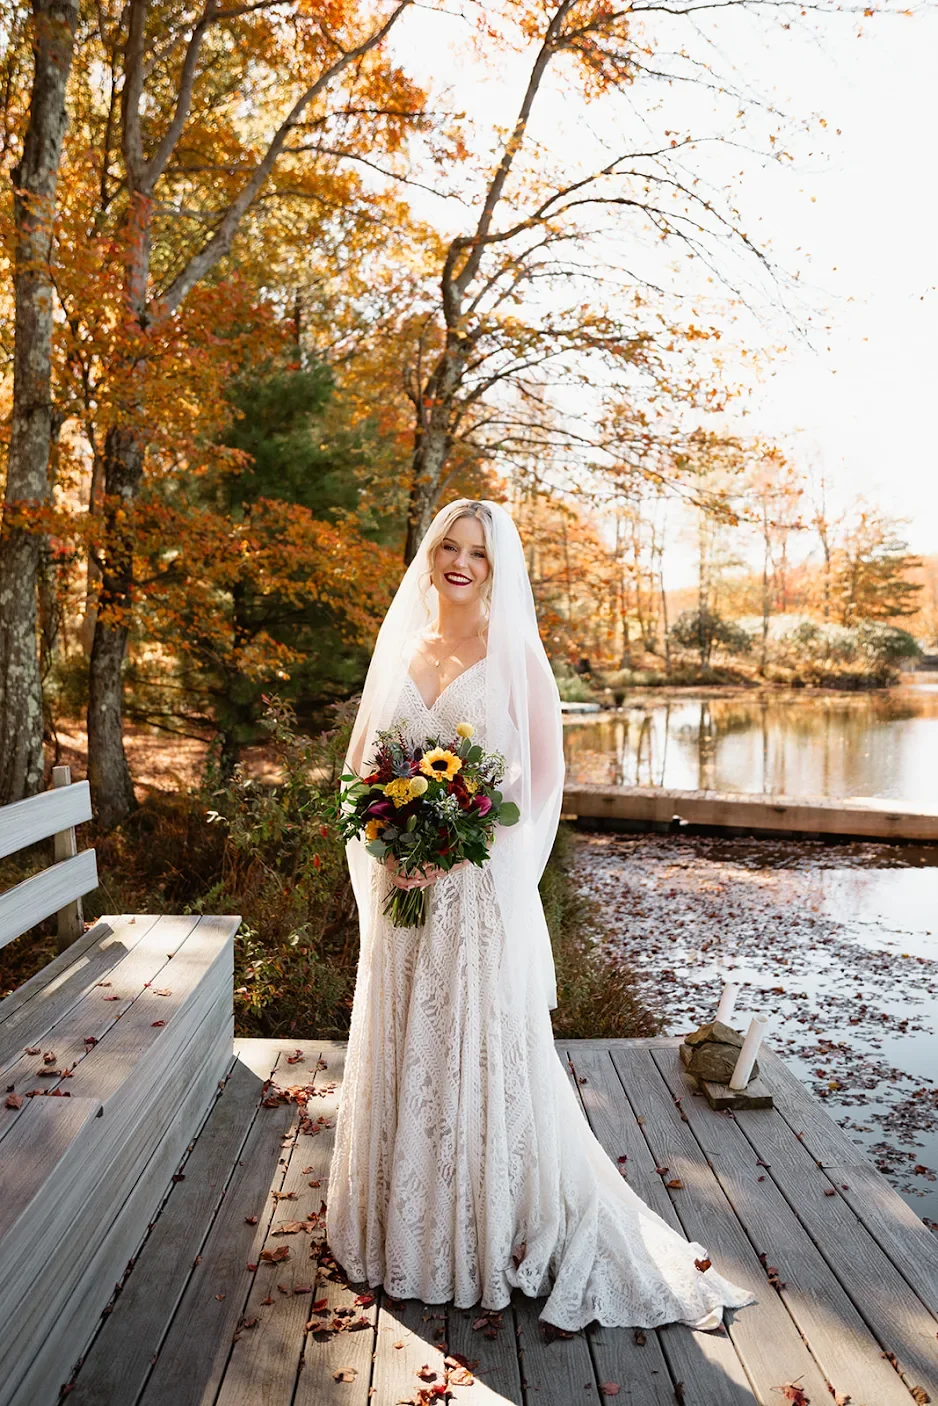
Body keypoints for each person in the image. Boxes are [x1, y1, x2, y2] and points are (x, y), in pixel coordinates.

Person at [326, 498, 757, 1332]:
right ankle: (399, 1225)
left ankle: (476, 1230)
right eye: (448, 547)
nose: (459, 562)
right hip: (401, 891)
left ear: (495, 568)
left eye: (476, 554)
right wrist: (389, 843)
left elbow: (541, 786)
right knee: (408, 1040)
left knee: (469, 1048)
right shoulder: (403, 649)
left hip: (474, 894)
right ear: (428, 555)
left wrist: (451, 845)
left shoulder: (516, 655)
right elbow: (359, 769)